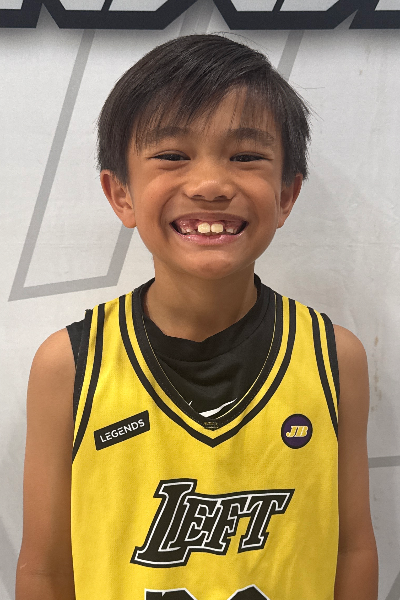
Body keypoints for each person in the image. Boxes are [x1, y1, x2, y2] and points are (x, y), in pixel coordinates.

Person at [16, 34, 378, 600]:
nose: (210, 184)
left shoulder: (334, 357)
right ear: (121, 193)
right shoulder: (68, 365)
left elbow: (352, 548)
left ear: (287, 195)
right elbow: (44, 570)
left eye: (245, 156)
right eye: (172, 155)